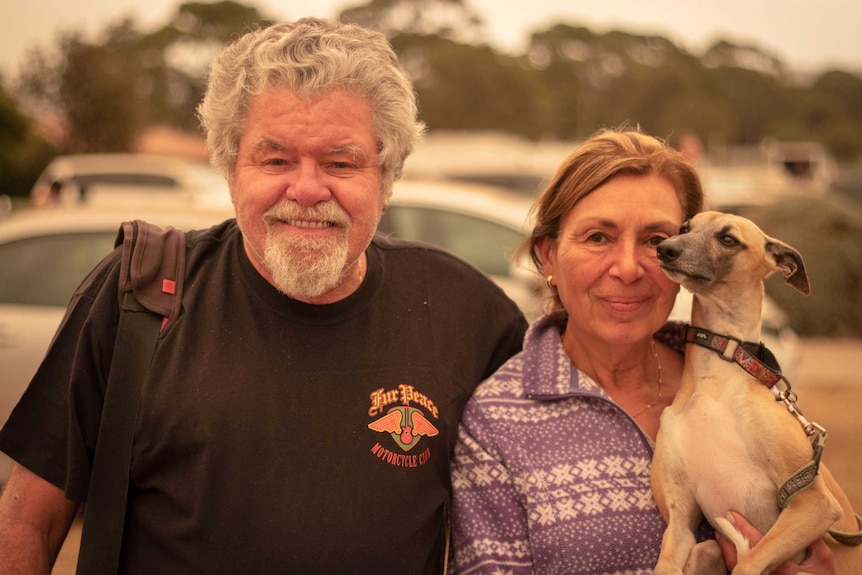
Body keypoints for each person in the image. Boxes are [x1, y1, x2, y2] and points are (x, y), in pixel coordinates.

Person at [0, 18, 527, 575]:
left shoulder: (468, 314)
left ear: (388, 175)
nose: (305, 189)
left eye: (340, 162)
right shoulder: (135, 297)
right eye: (275, 160)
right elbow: (29, 523)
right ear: (230, 170)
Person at [448, 128, 861, 574]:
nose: (628, 269)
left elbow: (836, 531)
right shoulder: (496, 422)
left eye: (654, 240)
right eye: (598, 238)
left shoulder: (749, 382)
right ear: (548, 257)